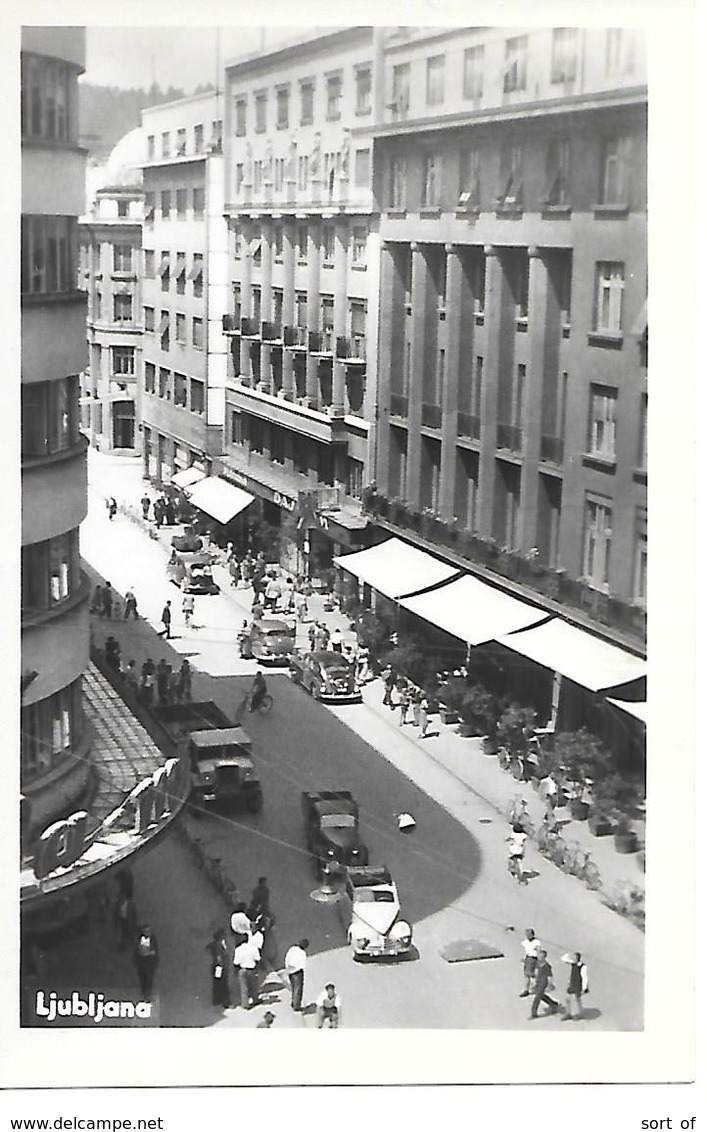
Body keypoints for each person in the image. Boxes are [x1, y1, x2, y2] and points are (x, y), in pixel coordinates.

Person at [529, 949, 560, 1019]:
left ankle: (533, 1013)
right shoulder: (537, 963)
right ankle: (553, 1004)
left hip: (543, 983)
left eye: (541, 956)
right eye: (539, 955)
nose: (539, 957)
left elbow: (550, 976)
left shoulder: (547, 966)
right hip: (538, 981)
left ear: (544, 957)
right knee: (541, 995)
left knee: (537, 998)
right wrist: (533, 982)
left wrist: (550, 984)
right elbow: (536, 972)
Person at [233, 934, 260, 1010]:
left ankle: (245, 1004)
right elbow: (257, 959)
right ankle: (255, 1000)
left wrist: (235, 972)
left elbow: (236, 963)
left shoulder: (238, 949)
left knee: (244, 987)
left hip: (242, 970)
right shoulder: (253, 948)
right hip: (252, 969)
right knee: (254, 986)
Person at [206, 929, 231, 1009]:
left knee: (217, 983)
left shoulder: (213, 944)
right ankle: (225, 1002)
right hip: (220, 967)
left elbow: (207, 948)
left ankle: (216, 1000)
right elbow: (220, 956)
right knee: (224, 984)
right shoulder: (220, 945)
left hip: (215, 966)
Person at [133, 925, 159, 1000]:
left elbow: (155, 950)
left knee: (148, 979)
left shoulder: (152, 938)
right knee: (146, 979)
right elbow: (143, 953)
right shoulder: (143, 939)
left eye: (148, 931)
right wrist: (151, 953)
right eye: (146, 931)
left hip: (149, 964)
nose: (147, 932)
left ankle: (146, 994)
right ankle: (146, 994)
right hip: (144, 964)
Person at [561, 952, 589, 1020]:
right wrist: (567, 954)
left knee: (577, 1000)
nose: (573, 959)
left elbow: (584, 977)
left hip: (578, 984)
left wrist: (584, 988)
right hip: (572, 983)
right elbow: (563, 959)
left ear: (578, 958)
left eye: (574, 958)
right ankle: (568, 1013)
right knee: (568, 999)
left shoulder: (582, 966)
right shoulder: (573, 963)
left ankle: (580, 1014)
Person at [284, 938, 308, 1012]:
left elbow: (287, 958)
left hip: (290, 971)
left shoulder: (293, 948)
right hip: (297, 973)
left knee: (293, 987)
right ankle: (296, 1006)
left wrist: (287, 967)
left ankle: (293, 1002)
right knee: (298, 989)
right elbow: (302, 966)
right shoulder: (303, 954)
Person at [520, 929, 542, 997]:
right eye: (527, 934)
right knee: (527, 975)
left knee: (530, 974)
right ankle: (526, 989)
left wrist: (539, 959)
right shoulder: (525, 942)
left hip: (533, 958)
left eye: (529, 934)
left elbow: (538, 951)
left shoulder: (536, 942)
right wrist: (524, 957)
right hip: (527, 958)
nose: (527, 936)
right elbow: (526, 950)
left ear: (532, 934)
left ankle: (540, 985)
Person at [114, 886, 137, 951]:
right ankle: (122, 946)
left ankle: (132, 941)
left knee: (129, 932)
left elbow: (134, 914)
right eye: (119, 897)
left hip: (129, 920)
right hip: (122, 920)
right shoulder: (117, 904)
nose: (120, 898)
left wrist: (135, 922)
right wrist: (116, 921)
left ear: (124, 896)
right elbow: (116, 913)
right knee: (122, 933)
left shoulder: (130, 904)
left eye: (121, 897)